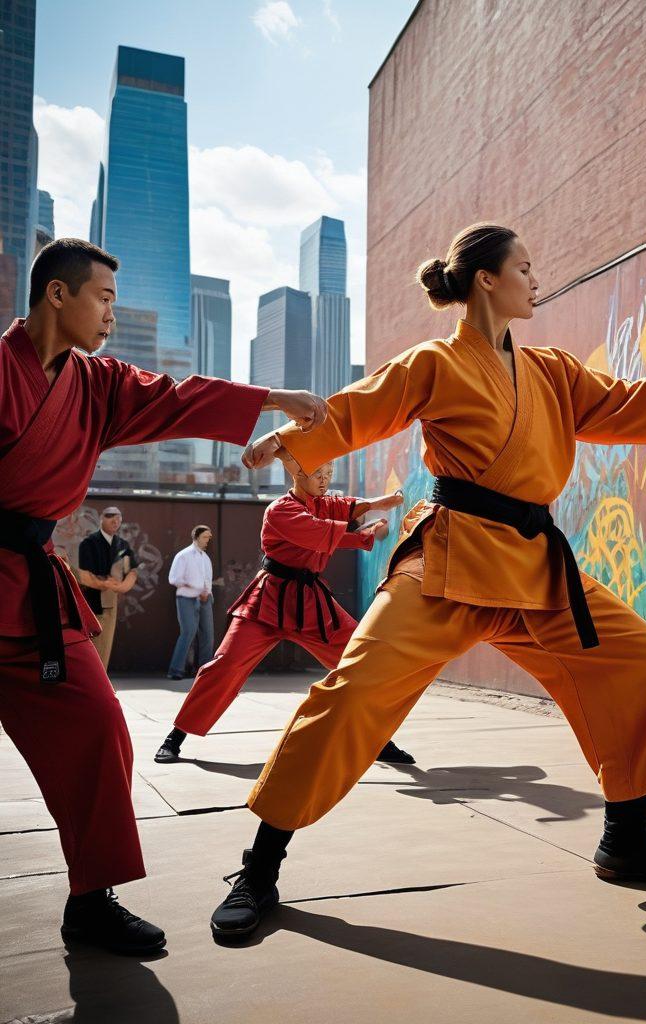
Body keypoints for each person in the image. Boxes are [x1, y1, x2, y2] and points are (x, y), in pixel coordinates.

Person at [207, 223, 646, 941]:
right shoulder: (436, 361)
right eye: (524, 267)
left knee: (637, 657)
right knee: (354, 693)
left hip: (535, 566)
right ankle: (260, 868)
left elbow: (618, 402)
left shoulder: (552, 371)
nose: (536, 278)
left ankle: (625, 839)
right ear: (487, 280)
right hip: (449, 563)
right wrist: (293, 439)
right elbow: (362, 407)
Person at [0, 237, 325, 955]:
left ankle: (90, 902)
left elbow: (180, 399)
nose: (112, 314)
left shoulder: (97, 383)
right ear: (59, 295)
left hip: (28, 594)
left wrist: (274, 398)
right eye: (104, 299)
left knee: (99, 726)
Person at [154, 460, 415, 766]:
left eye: (328, 474)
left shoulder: (324, 504)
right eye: (318, 472)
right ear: (297, 472)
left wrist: (382, 505)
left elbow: (346, 506)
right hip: (268, 599)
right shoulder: (280, 509)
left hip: (311, 601)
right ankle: (176, 736)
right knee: (225, 665)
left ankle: (378, 738)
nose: (324, 479)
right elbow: (317, 532)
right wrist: (366, 533)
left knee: (359, 660)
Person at [76, 506, 137, 670]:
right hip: (90, 600)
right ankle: (93, 682)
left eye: (119, 518)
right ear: (102, 518)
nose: (115, 521)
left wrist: (123, 586)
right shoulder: (88, 543)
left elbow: (131, 570)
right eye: (110, 516)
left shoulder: (122, 544)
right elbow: (83, 575)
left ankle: (101, 682)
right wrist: (104, 583)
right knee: (92, 645)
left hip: (110, 600)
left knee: (106, 644)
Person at [166, 524, 216, 680]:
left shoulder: (205, 558)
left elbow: (207, 580)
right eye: (205, 537)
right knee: (188, 633)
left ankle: (204, 672)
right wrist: (197, 589)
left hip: (205, 600)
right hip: (186, 599)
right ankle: (175, 670)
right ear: (196, 537)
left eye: (209, 537)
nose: (208, 540)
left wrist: (206, 593)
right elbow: (174, 579)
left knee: (208, 635)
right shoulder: (183, 555)